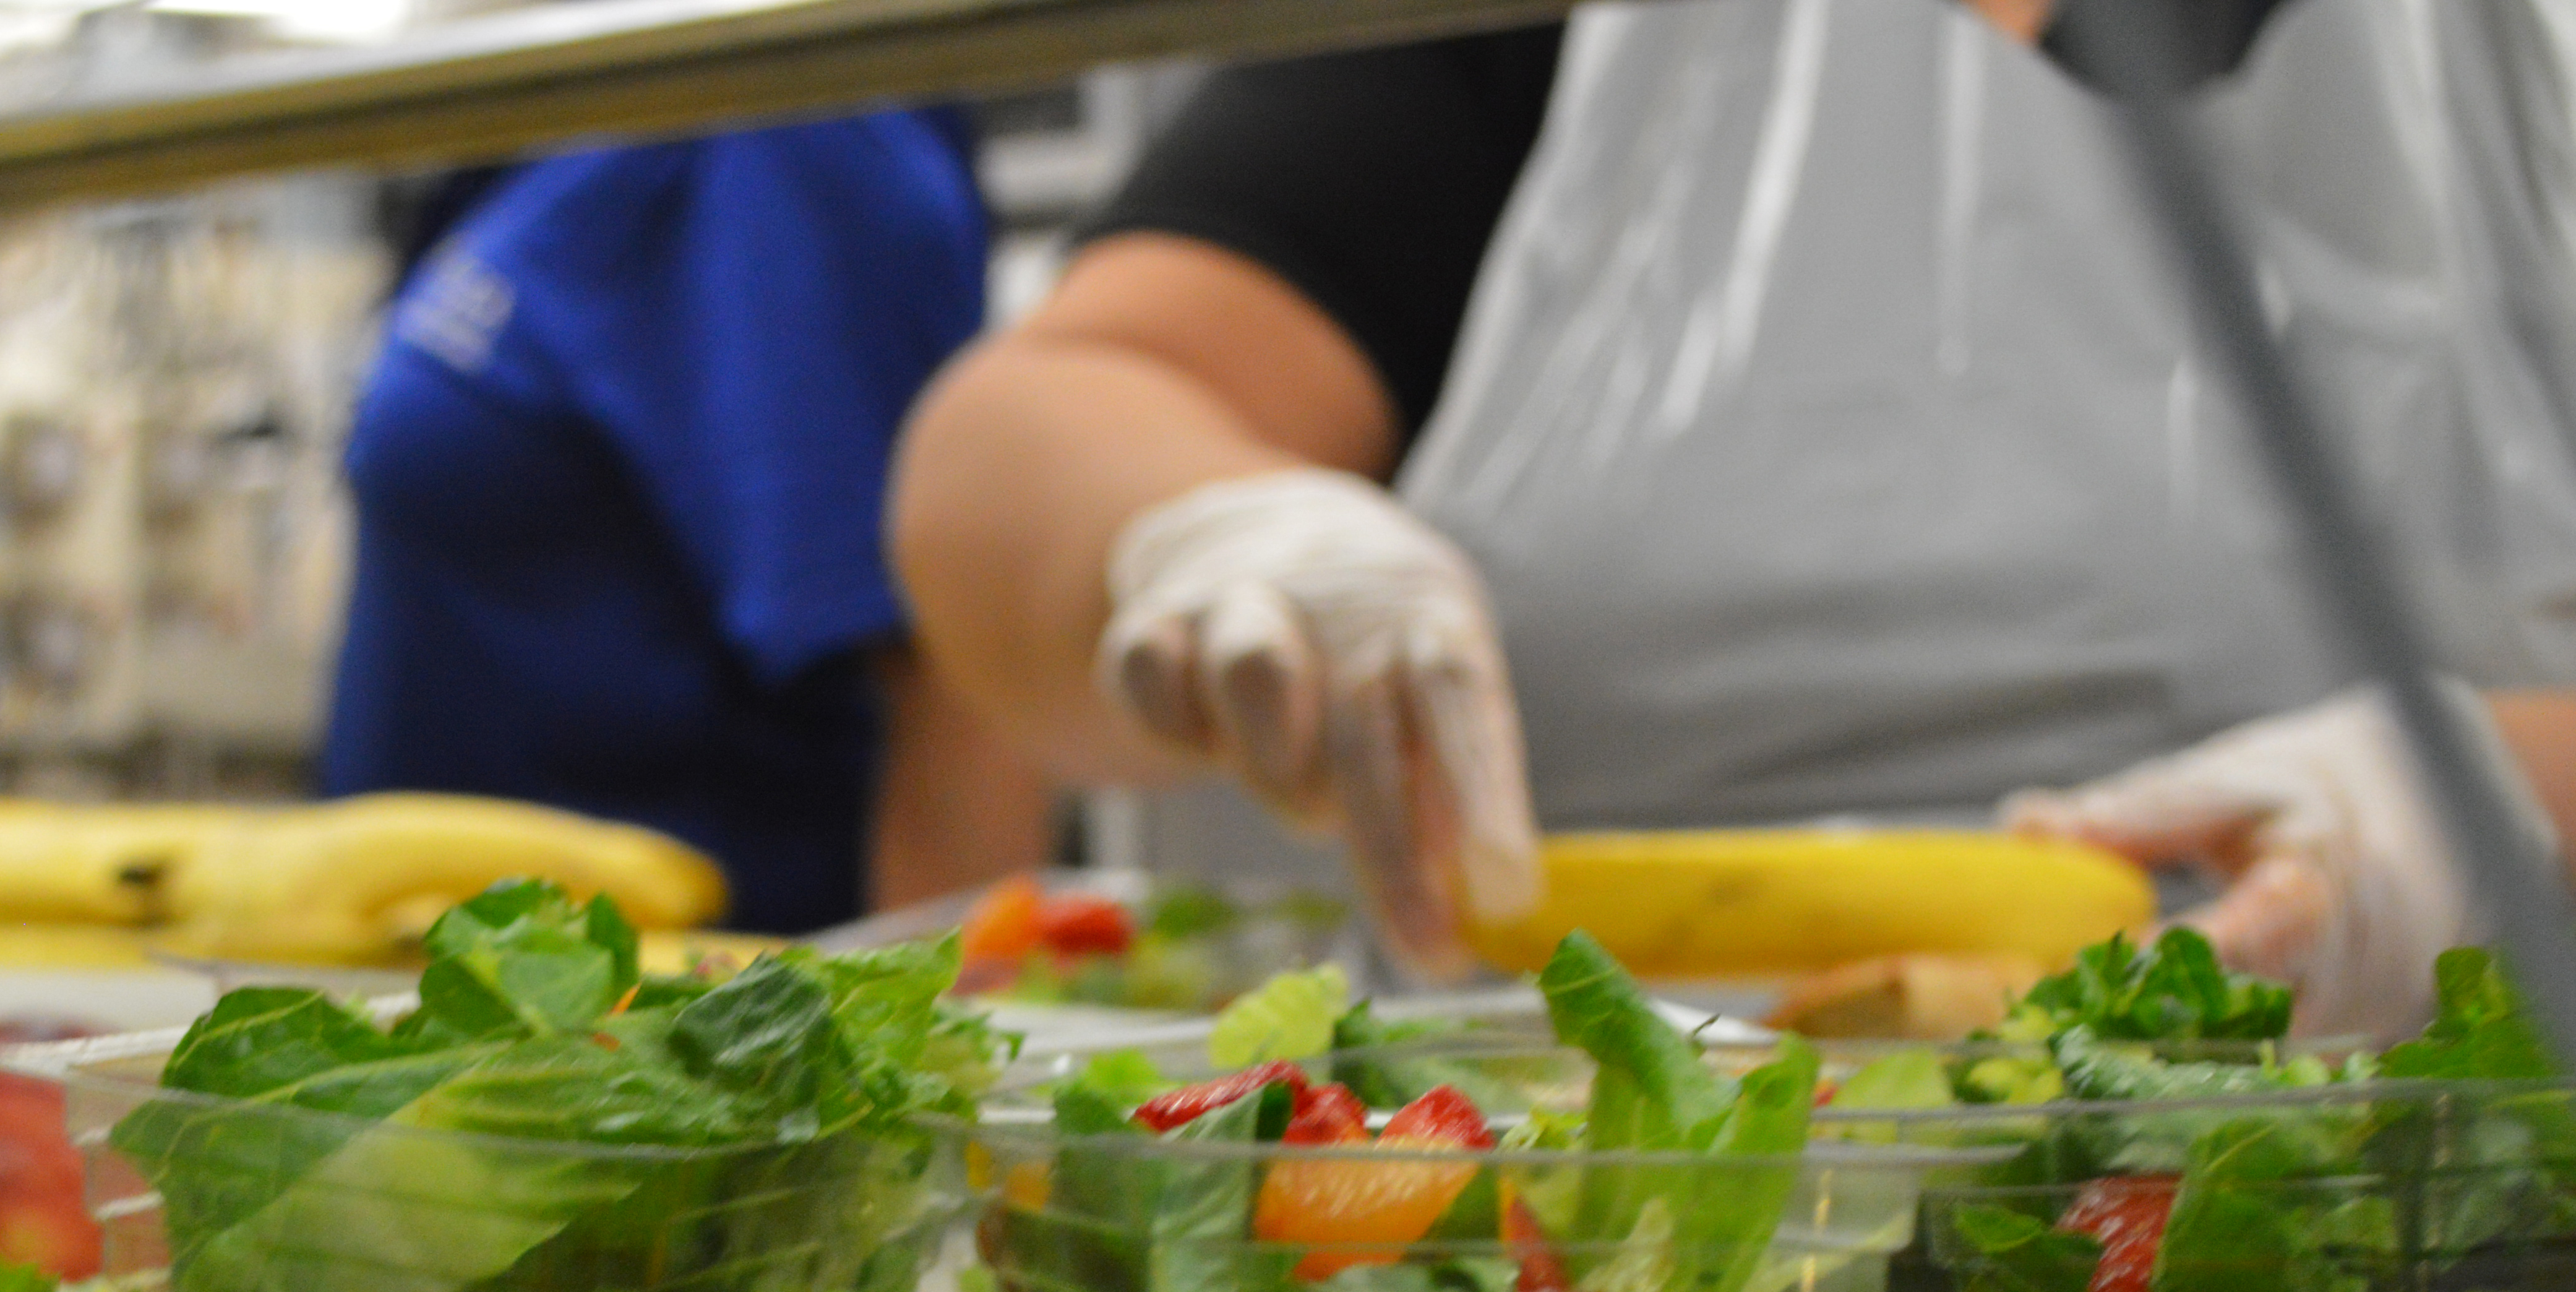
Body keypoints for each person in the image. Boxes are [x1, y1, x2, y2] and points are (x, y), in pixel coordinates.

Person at [889, 0, 2576, 1031]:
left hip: (2416, 1277)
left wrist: (2512, 794)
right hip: (1576, 1283)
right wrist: (1214, 537)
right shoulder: (1545, 34)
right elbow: (1025, 434)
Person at [322, 110, 1054, 932]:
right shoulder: (587, 118)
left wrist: (952, 1030)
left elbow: (947, 676)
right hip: (471, 995)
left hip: (669, 1016)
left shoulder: (779, 136)